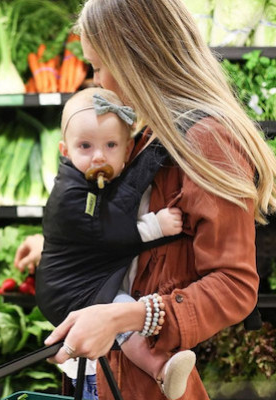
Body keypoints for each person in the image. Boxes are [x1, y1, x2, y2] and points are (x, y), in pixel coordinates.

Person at [16, 0, 276, 399]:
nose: (96, 81)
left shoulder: (206, 139)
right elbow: (131, 231)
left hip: (141, 385)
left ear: (134, 59)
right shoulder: (150, 129)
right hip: (102, 373)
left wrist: (125, 315)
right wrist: (61, 246)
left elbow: (236, 285)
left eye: (99, 66)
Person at [30, 86, 195, 400]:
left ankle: (160, 369)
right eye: (85, 146)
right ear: (65, 151)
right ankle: (160, 367)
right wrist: (154, 225)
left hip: (84, 276)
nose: (98, 156)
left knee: (119, 315)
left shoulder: (90, 179)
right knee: (121, 311)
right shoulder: (70, 192)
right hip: (70, 288)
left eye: (110, 145)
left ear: (128, 148)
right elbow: (105, 232)